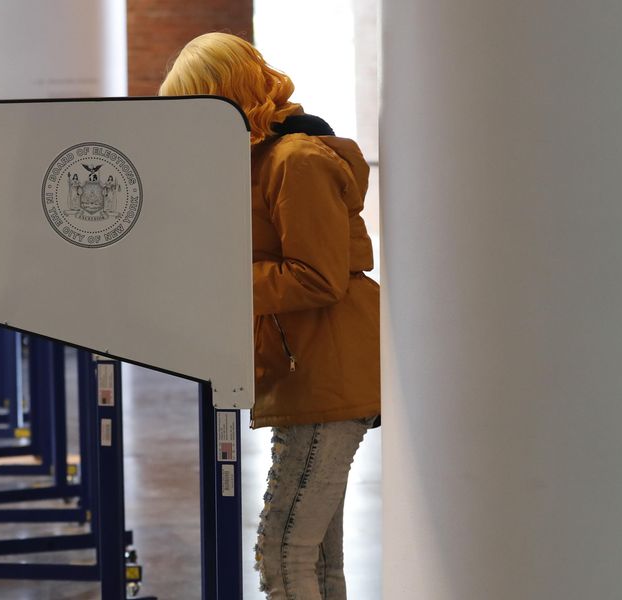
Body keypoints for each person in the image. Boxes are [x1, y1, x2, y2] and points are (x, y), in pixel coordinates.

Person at [160, 33, 380, 600]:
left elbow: (317, 276)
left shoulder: (296, 160)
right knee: (317, 559)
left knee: (282, 554)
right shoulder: (264, 159)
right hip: (305, 364)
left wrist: (216, 281)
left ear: (222, 96)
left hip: (325, 366)